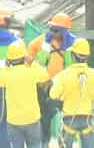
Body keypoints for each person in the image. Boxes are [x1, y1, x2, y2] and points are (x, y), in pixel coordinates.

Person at [26, 14, 75, 144]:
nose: (52, 32)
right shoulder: (42, 41)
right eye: (51, 29)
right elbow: (31, 53)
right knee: (44, 118)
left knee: (68, 117)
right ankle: (44, 143)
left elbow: (73, 66)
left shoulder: (73, 43)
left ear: (64, 31)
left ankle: (64, 142)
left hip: (63, 87)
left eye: (55, 30)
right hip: (44, 86)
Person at [48, 38, 94, 148]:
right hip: (88, 119)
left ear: (73, 56)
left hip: (69, 119)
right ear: (87, 56)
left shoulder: (64, 75)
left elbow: (53, 95)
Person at [0, 40, 49, 148]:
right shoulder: (31, 71)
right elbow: (45, 76)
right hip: (32, 119)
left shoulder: (7, 74)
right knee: (36, 144)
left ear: (9, 59)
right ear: (24, 57)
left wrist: (6, 67)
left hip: (14, 121)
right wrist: (33, 63)